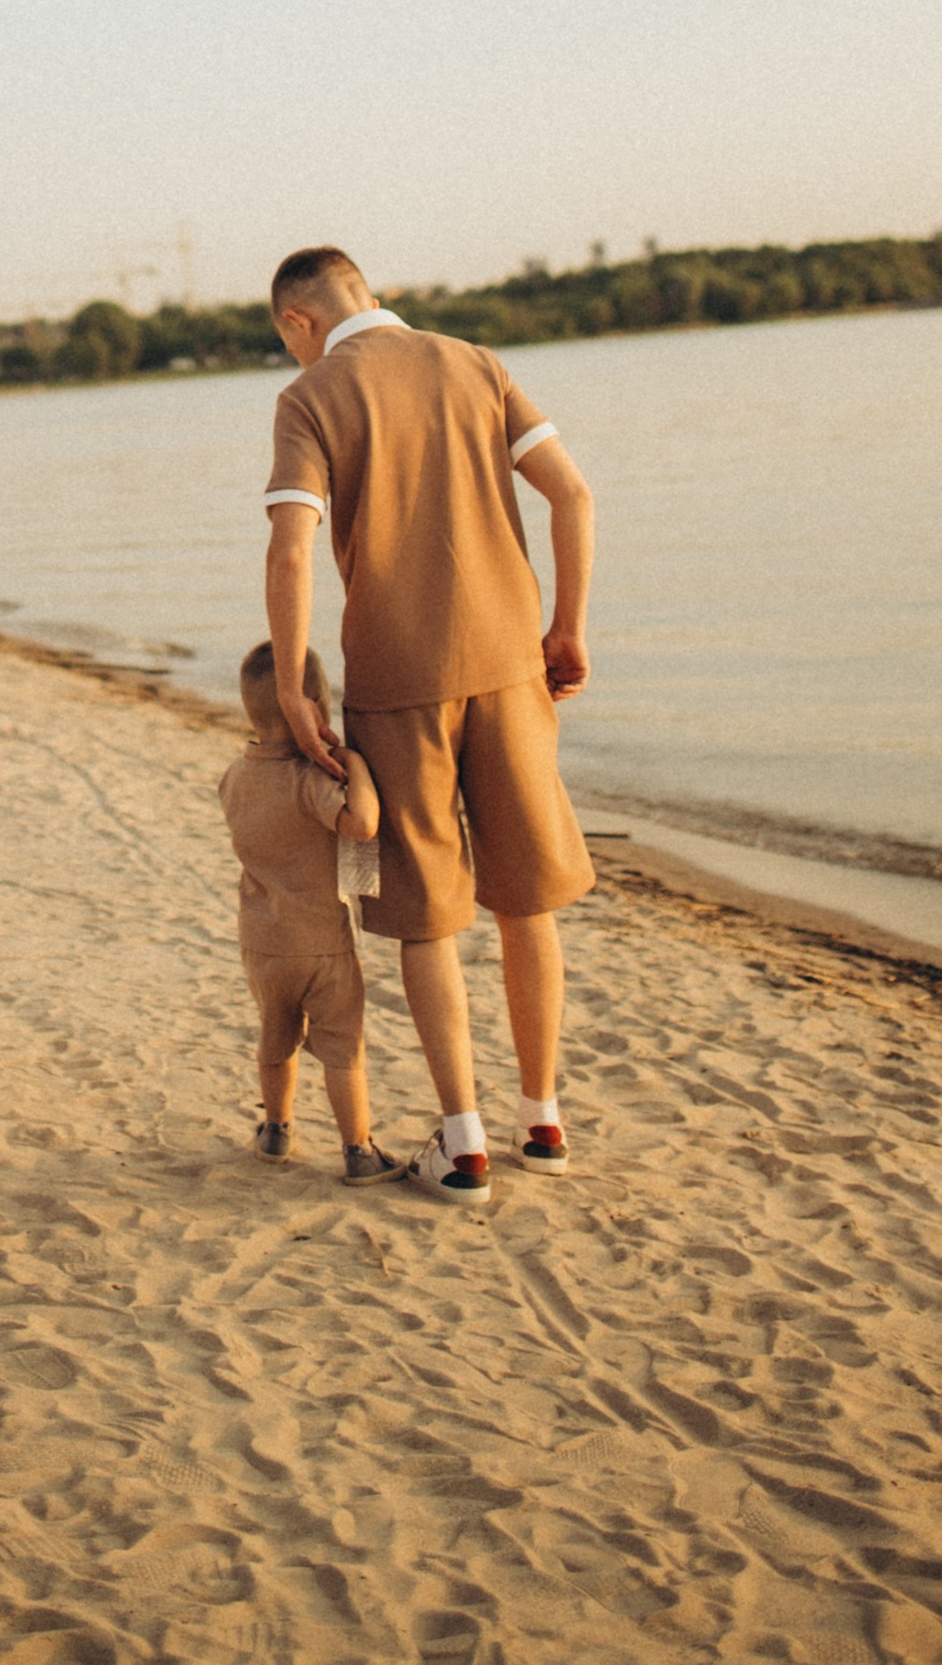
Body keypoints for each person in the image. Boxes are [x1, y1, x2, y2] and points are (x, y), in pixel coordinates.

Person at [262, 245, 595, 1202]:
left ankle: (464, 1142)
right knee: (525, 900)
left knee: (424, 915)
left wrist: (294, 685)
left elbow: (292, 548)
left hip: (397, 679)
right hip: (511, 664)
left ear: (299, 321)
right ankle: (545, 1119)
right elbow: (571, 492)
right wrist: (565, 625)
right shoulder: (475, 363)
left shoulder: (313, 396)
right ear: (373, 296)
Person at [217, 640, 403, 1180]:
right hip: (322, 942)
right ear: (316, 712)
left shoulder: (235, 778)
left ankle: (276, 1128)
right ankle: (359, 1149)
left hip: (262, 941)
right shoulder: (311, 781)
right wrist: (358, 764)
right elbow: (361, 823)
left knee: (275, 1036)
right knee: (343, 1045)